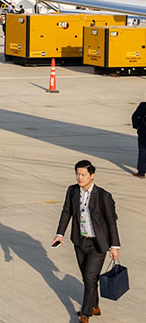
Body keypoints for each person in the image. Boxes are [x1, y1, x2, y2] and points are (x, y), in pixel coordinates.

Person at [53, 160, 121, 322]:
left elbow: (112, 222)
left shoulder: (103, 196)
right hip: (79, 241)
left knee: (90, 277)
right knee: (87, 277)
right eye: (77, 174)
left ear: (92, 176)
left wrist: (114, 246)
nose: (79, 177)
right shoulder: (72, 191)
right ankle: (95, 306)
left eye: (83, 174)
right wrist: (59, 234)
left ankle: (86, 314)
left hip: (98, 244)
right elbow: (66, 212)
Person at [132, 100, 146, 178]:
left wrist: (136, 126)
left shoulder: (143, 105)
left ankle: (141, 172)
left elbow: (134, 116)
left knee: (143, 151)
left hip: (143, 131)